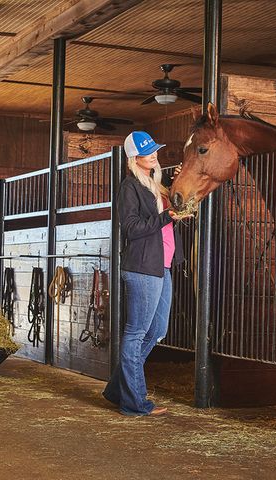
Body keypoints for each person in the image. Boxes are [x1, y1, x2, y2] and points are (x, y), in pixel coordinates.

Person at [103, 131, 190, 416]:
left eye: (154, 150)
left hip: (162, 266)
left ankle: (117, 389)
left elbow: (170, 213)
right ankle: (135, 403)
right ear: (134, 158)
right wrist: (166, 217)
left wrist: (178, 186)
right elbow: (131, 228)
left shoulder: (156, 185)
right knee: (136, 332)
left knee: (157, 331)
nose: (153, 155)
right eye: (147, 152)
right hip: (142, 267)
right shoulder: (130, 187)